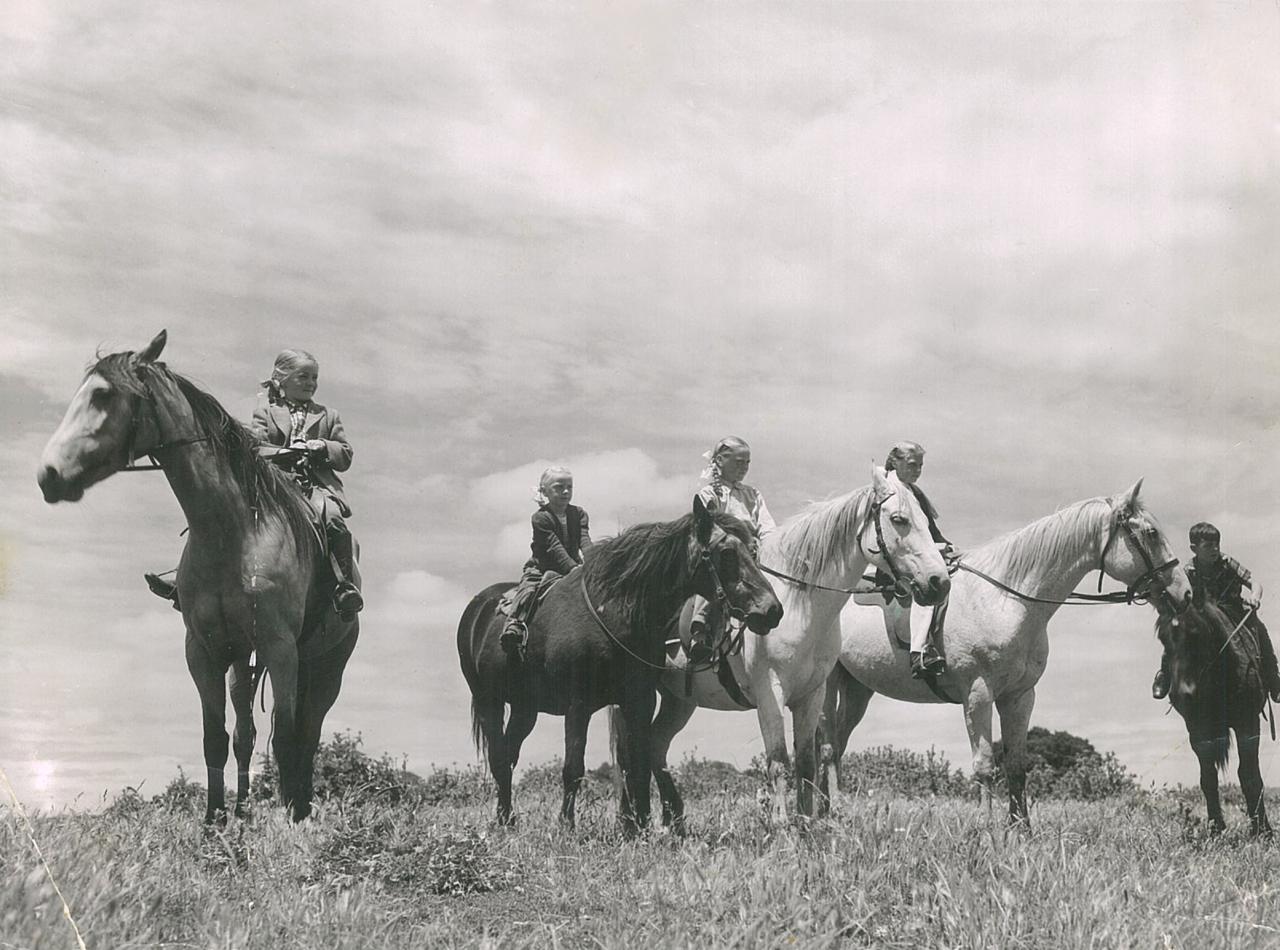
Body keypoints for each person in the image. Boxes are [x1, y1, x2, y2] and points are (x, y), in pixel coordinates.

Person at [144, 348, 363, 620]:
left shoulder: (328, 415)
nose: (311, 383)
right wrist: (283, 452)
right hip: (273, 485)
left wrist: (322, 447)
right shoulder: (266, 411)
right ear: (282, 379)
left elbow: (345, 454)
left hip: (311, 487)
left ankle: (344, 585)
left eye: (314, 378)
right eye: (303, 377)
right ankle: (184, 578)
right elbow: (254, 446)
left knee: (332, 518)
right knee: (221, 511)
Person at [1153, 522, 1280, 701]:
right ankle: (1165, 675)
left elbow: (1254, 582)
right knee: (1177, 634)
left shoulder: (1227, 562)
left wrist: (1255, 597)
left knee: (1260, 630)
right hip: (1203, 616)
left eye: (1217, 544)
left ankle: (1274, 680)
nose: (1215, 549)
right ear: (1194, 548)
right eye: (1208, 546)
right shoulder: (1188, 571)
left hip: (1234, 610)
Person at [687, 436, 776, 662]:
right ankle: (701, 626)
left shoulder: (752, 494)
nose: (744, 468)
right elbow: (710, 529)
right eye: (738, 462)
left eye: (747, 463)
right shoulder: (709, 494)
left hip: (756, 553)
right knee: (715, 579)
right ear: (720, 461)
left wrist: (770, 544)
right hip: (728, 555)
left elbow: (766, 525)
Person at [879, 441, 957, 679]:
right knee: (926, 585)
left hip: (916, 554)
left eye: (921, 466)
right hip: (897, 561)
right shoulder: (888, 489)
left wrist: (948, 546)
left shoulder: (915, 493)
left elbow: (929, 532)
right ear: (895, 462)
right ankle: (919, 653)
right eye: (913, 465)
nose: (917, 471)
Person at [499, 466, 593, 656]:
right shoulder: (541, 518)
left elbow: (584, 539)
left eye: (569, 487)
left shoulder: (579, 514)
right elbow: (554, 547)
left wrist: (593, 562)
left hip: (574, 566)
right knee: (528, 591)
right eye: (559, 487)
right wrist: (574, 569)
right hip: (543, 568)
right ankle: (514, 623)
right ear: (545, 491)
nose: (565, 492)